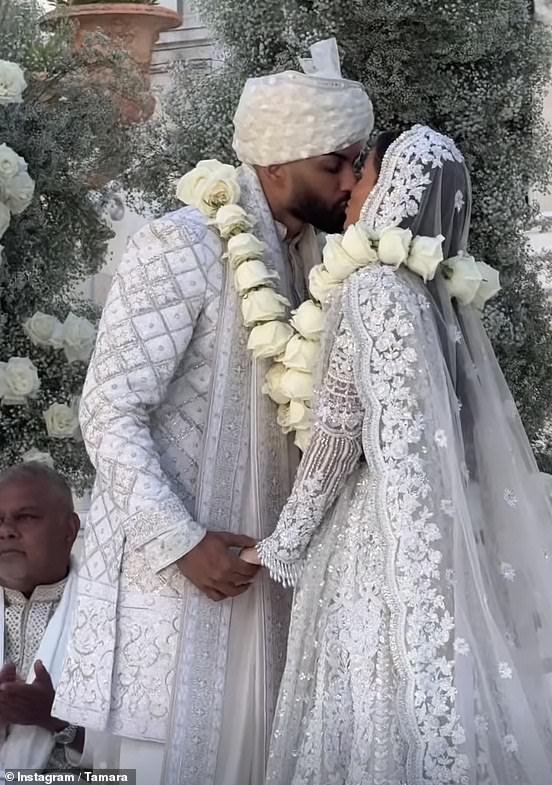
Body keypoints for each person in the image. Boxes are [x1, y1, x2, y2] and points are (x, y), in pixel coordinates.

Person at [242, 125, 552, 784]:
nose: (350, 191)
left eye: (362, 177)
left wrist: (280, 544)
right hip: (437, 530)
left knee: (374, 710)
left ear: (393, 190)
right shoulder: (432, 297)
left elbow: (340, 433)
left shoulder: (369, 288)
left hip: (374, 541)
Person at [52, 38, 373, 785]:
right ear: (275, 165)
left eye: (355, 162)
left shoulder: (312, 262)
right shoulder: (182, 244)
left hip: (266, 579)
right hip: (181, 580)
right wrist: (182, 541)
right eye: (334, 164)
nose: (350, 181)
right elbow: (109, 409)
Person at [0, 463, 82, 777]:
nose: (6, 530)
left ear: (69, 530)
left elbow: (132, 761)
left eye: (26, 517)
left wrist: (55, 718)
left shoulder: (108, 617)